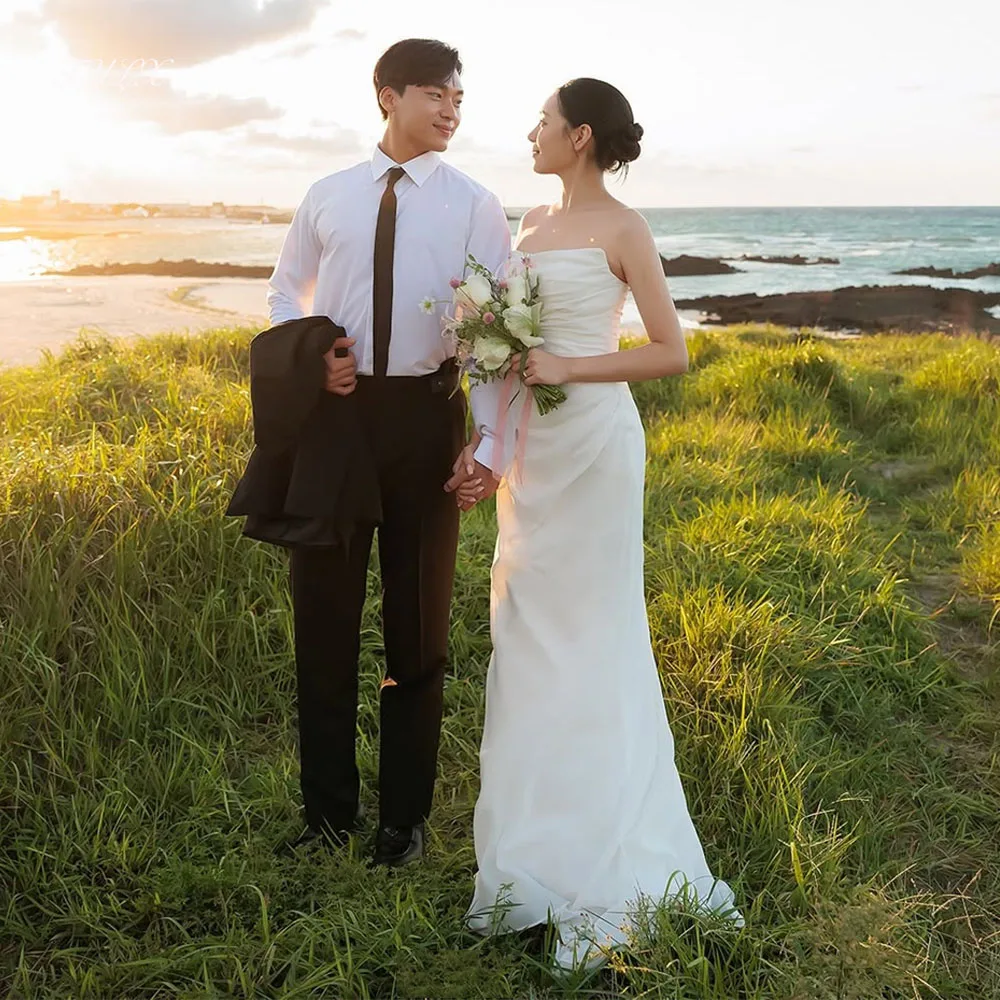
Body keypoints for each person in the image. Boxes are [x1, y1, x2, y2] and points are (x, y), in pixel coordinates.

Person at [456, 78, 742, 967]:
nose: (530, 132)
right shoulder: (525, 227)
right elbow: (499, 354)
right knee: (528, 636)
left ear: (579, 135)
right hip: (534, 462)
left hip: (597, 450)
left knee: (596, 636)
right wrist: (488, 448)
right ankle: (531, 862)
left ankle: (609, 852)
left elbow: (671, 349)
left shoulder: (625, 229)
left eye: (542, 120)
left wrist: (569, 365)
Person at [267, 38, 510, 867]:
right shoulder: (328, 195)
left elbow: (488, 331)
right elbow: (282, 289)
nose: (450, 109)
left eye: (459, 99)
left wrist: (485, 439)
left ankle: (402, 822)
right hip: (335, 424)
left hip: (424, 416)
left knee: (418, 628)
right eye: (437, 94)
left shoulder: (476, 204)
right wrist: (314, 353)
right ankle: (327, 815)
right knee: (324, 619)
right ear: (387, 95)